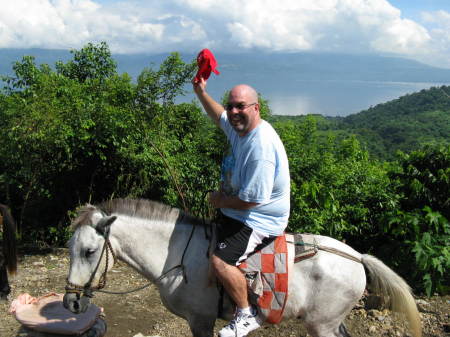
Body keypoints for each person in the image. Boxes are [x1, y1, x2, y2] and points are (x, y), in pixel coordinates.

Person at [193, 77, 290, 337]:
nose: (234, 112)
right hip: (240, 210)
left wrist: (219, 200)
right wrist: (200, 91)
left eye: (241, 106)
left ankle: (246, 314)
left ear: (256, 108)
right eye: (231, 106)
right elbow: (220, 117)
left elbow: (252, 200)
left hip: (258, 218)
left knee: (220, 261)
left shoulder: (260, 148)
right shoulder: (241, 129)